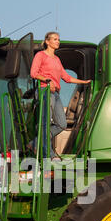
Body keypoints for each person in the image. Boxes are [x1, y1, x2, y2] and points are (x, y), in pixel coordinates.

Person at [30, 31, 91, 159]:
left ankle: (35, 142)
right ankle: (50, 155)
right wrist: (47, 81)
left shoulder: (57, 59)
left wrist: (84, 82)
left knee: (61, 124)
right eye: (55, 39)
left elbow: (67, 77)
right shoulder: (41, 55)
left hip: (55, 93)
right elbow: (34, 73)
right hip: (45, 91)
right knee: (45, 123)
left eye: (58, 39)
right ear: (47, 41)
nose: (58, 41)